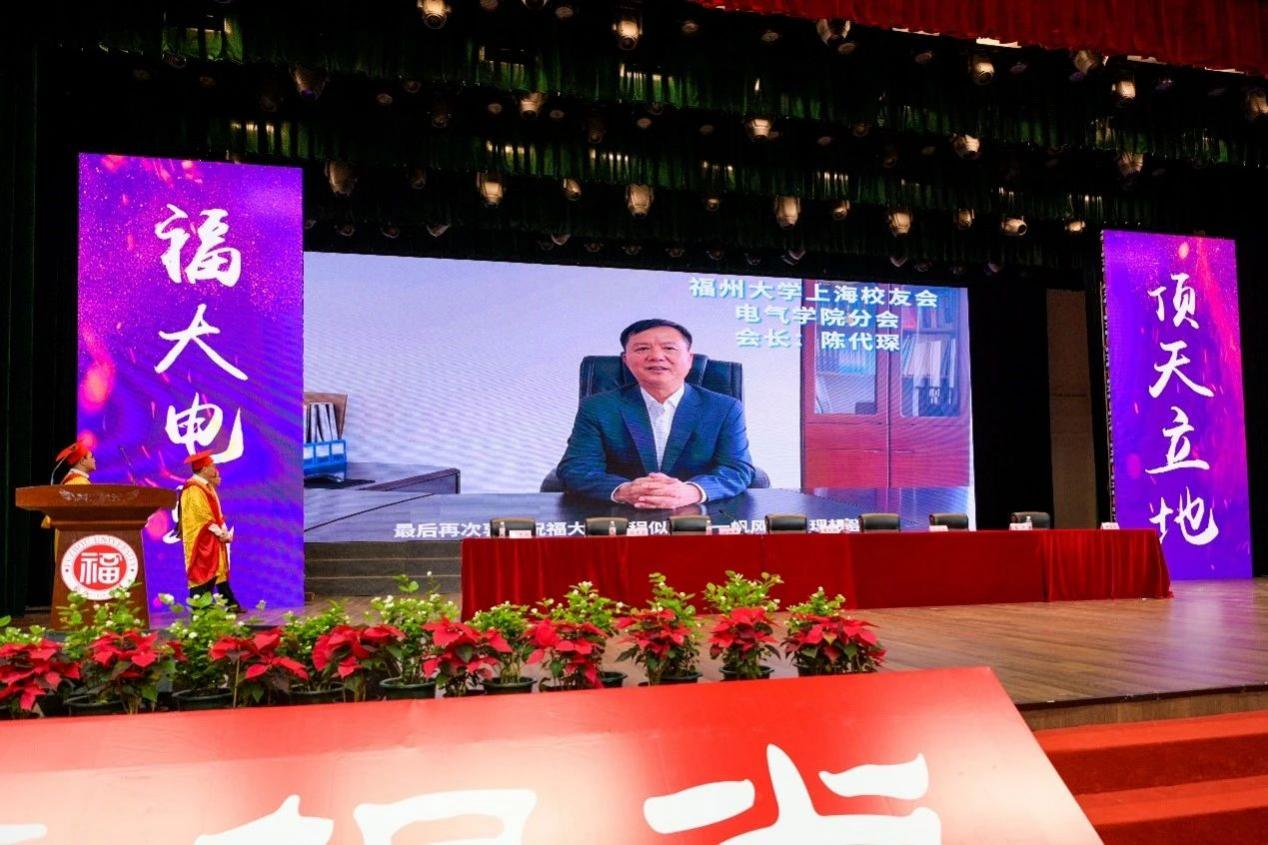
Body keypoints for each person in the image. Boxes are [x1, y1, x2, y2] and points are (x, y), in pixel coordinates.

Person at [556, 318, 756, 506]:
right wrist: (625, 490)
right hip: (621, 513)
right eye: (642, 348)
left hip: (700, 513)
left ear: (689, 359)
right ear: (626, 360)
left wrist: (692, 491)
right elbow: (578, 468)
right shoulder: (597, 407)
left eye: (669, 348)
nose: (657, 356)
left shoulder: (724, 408)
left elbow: (736, 469)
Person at [179, 450, 241, 611]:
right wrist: (221, 533)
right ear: (204, 469)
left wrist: (223, 530)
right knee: (202, 572)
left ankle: (217, 606)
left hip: (211, 536)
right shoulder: (192, 489)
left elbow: (216, 513)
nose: (215, 469)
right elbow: (202, 516)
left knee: (215, 571)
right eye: (212, 466)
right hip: (200, 538)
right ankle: (199, 609)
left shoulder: (207, 487)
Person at [41, 441, 95, 530]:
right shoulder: (79, 483)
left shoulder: (72, 482)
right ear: (83, 461)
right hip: (73, 533)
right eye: (91, 457)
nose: (94, 460)